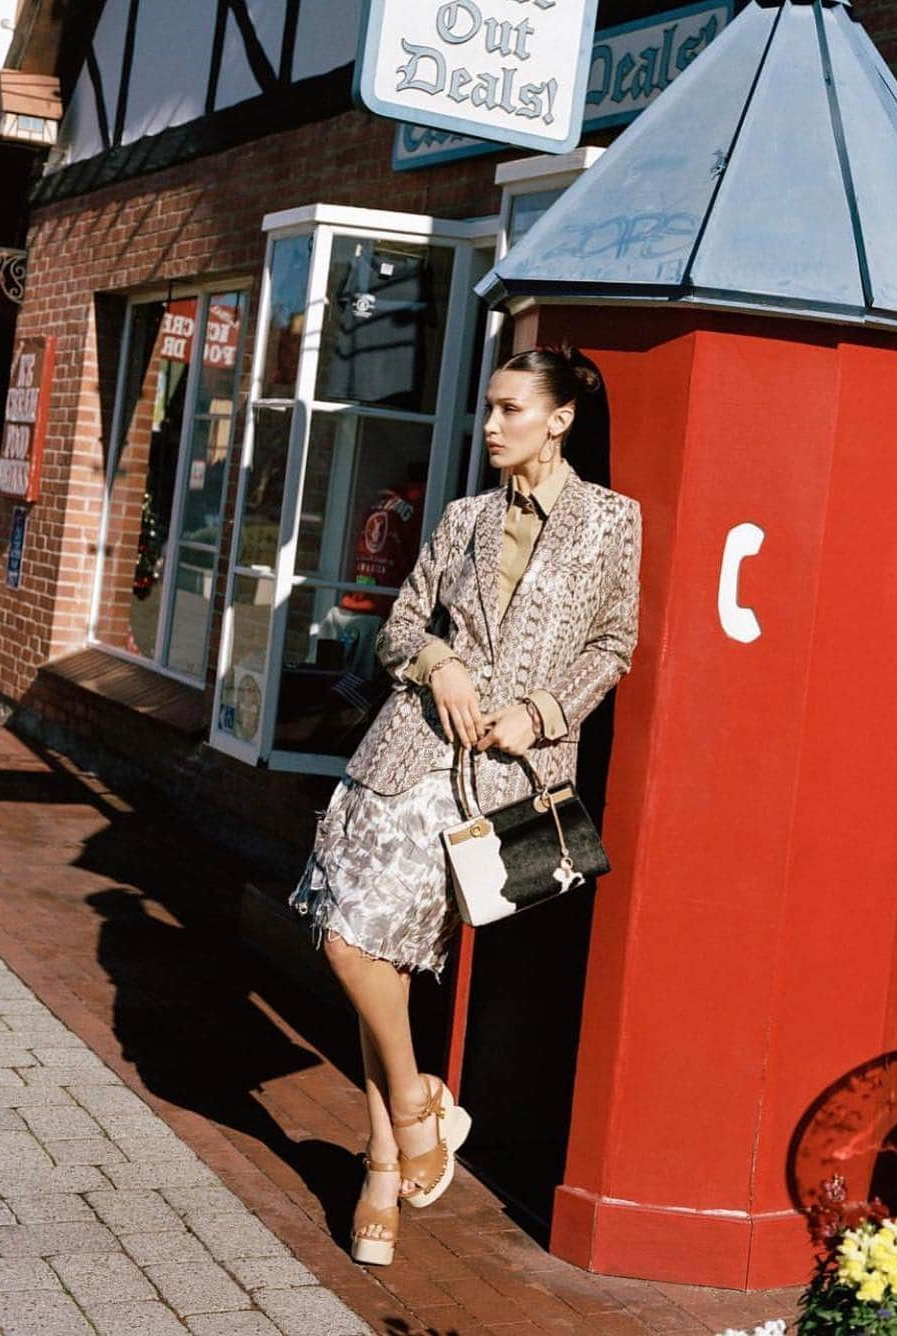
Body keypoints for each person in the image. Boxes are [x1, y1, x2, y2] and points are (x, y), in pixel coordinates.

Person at [289, 343, 643, 1267]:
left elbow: (614, 644)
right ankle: (413, 1110)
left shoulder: (614, 522)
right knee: (346, 937)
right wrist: (438, 661)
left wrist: (545, 711)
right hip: (405, 758)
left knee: (393, 964)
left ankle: (380, 1165)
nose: (490, 425)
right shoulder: (465, 515)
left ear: (560, 419)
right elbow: (402, 626)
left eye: (510, 409)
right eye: (487, 407)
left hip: (497, 785)